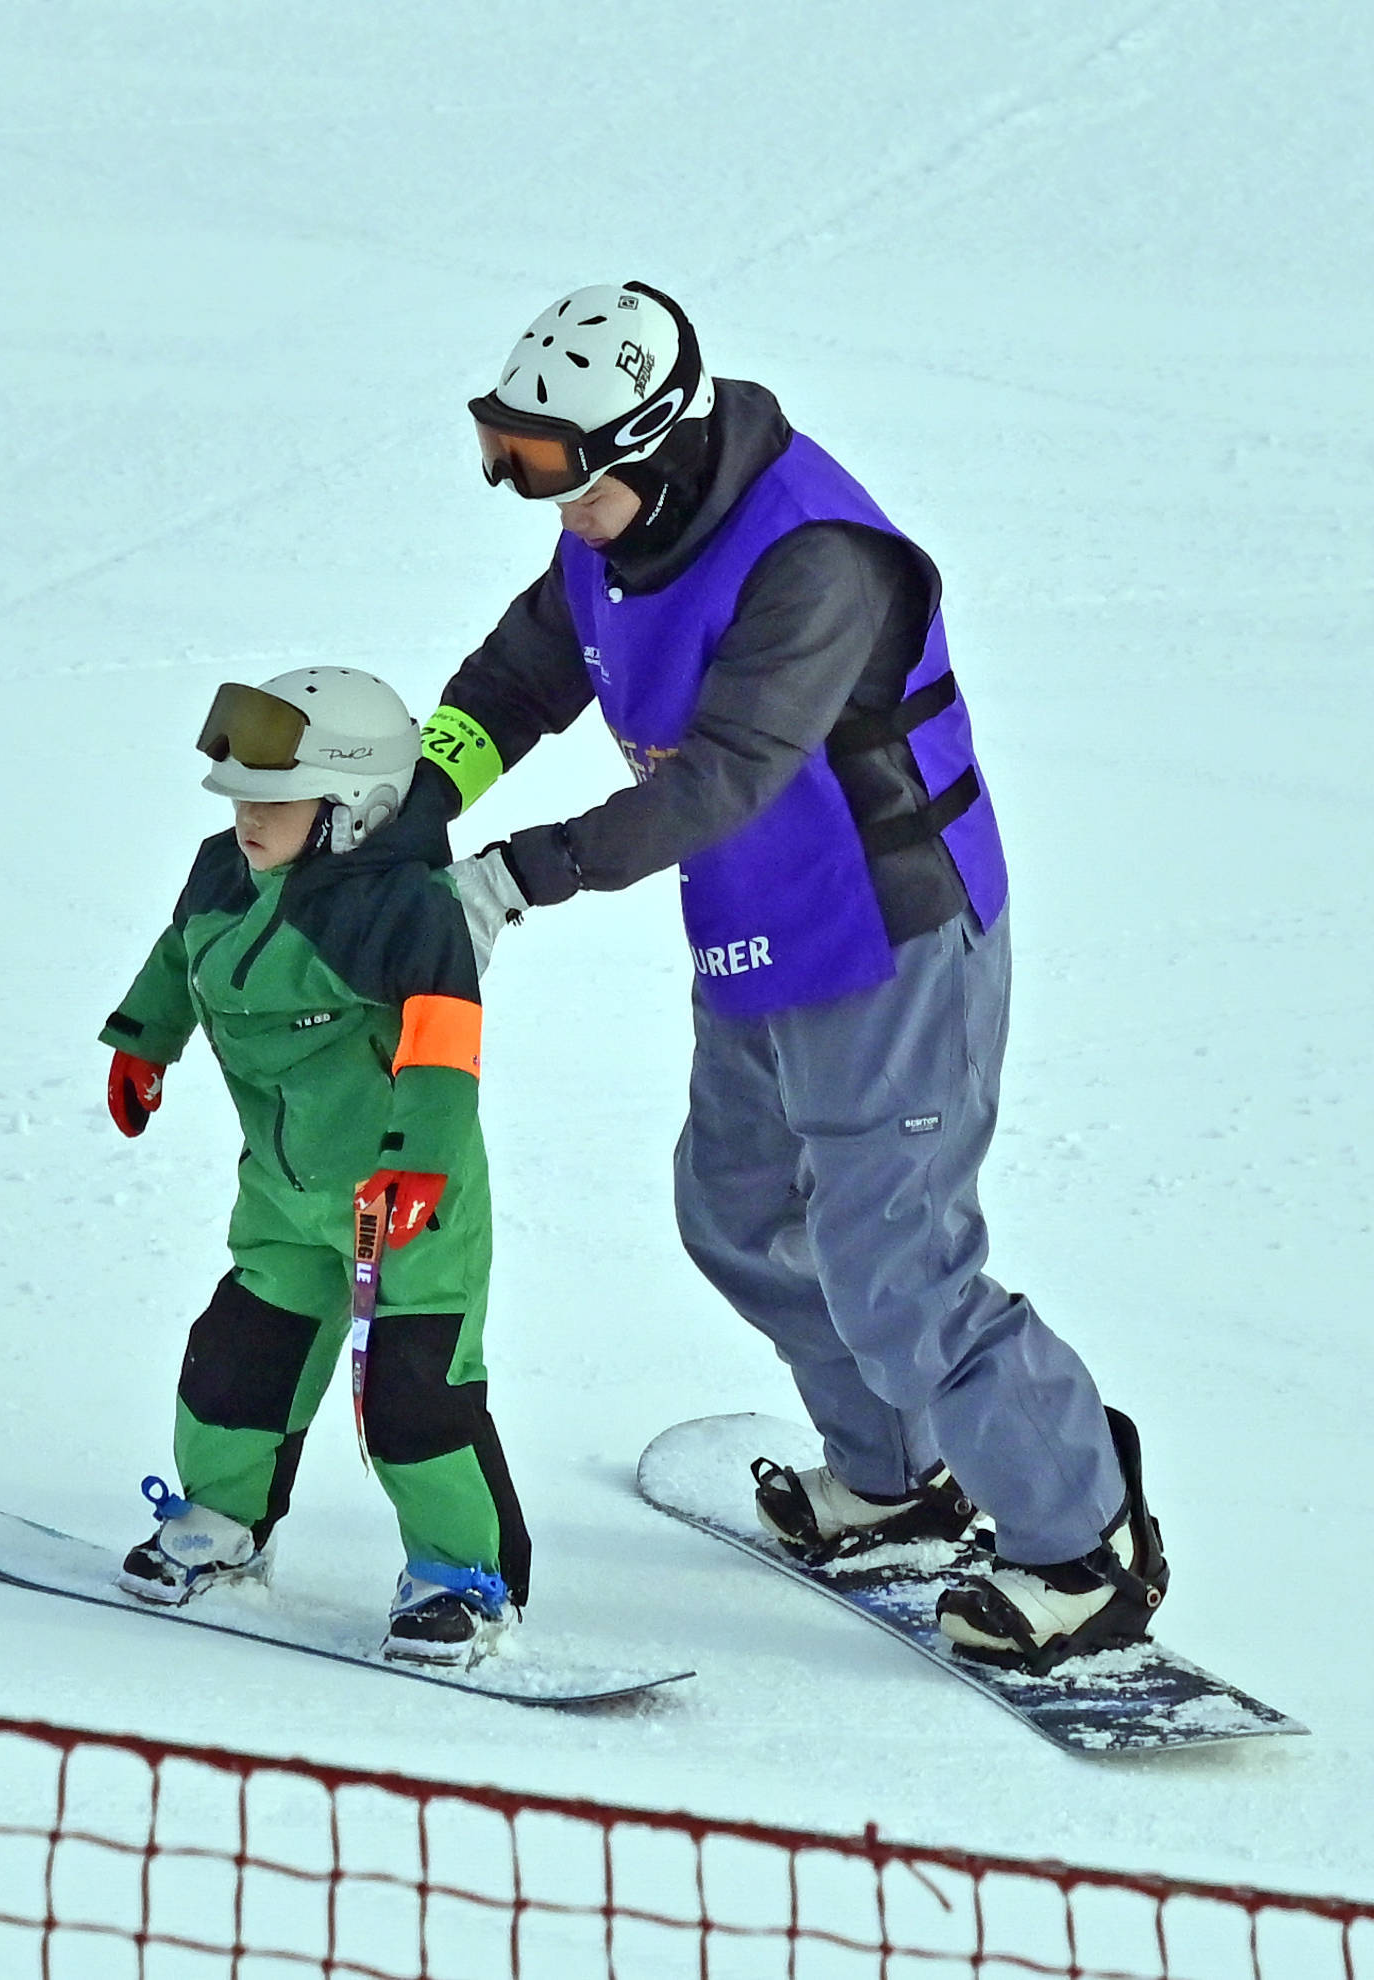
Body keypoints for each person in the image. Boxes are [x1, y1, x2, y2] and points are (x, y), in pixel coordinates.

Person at [431, 282, 1166, 1675]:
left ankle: (1084, 1540)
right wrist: (421, 787)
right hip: (759, 920)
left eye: (550, 467)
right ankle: (892, 1478)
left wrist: (523, 873)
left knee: (898, 1258)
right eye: (509, 456)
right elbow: (532, 668)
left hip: (889, 932)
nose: (537, 497)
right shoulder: (617, 525)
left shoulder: (810, 560)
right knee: (736, 1209)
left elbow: (726, 779)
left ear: (645, 444)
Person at [99, 666, 529, 1669]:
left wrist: (420, 1163)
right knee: (240, 1354)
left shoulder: (401, 910)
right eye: (241, 797)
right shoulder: (222, 874)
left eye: (274, 802)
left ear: (352, 809)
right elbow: (180, 958)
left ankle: (464, 1578)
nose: (247, 819)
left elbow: (439, 1044)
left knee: (415, 1395)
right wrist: (141, 1042)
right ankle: (221, 1524)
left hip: (411, 1204)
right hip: (287, 1196)